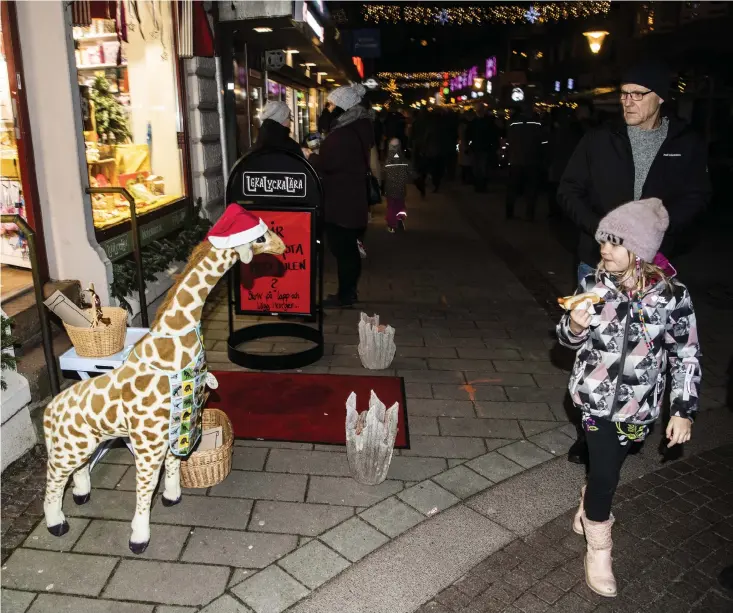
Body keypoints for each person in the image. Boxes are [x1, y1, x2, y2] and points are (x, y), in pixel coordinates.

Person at [557, 60, 711, 464]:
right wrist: (604, 232)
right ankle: (589, 430)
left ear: (660, 97)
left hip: (653, 265)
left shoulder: (686, 141)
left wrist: (659, 227)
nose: (626, 101)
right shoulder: (599, 138)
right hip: (599, 260)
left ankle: (627, 421)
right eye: (622, 93)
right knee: (593, 343)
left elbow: (699, 194)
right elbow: (568, 189)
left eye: (637, 94)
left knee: (640, 347)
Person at [557, 197, 701, 598]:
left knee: (612, 460)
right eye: (604, 240)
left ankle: (588, 505)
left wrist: (683, 409)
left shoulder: (672, 295)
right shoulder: (593, 285)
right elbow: (566, 339)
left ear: (639, 250)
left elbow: (685, 353)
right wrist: (574, 325)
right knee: (606, 473)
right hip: (592, 399)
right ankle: (599, 548)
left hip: (639, 406)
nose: (605, 249)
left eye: (616, 242)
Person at [307, 84, 373, 308]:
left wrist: (311, 157)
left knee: (343, 249)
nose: (328, 108)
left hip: (342, 201)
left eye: (332, 104)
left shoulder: (344, 133)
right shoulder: (357, 127)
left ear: (343, 107)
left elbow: (328, 164)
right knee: (348, 249)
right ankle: (348, 292)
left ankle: (346, 295)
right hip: (352, 199)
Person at [505, 106, 544, 219]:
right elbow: (542, 143)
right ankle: (530, 214)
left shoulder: (513, 124)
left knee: (512, 187)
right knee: (531, 188)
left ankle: (509, 212)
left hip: (515, 160)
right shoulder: (537, 125)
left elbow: (508, 142)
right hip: (532, 160)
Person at [466, 106, 500, 192]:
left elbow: (468, 135)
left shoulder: (475, 122)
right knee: (482, 168)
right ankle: (481, 185)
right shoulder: (487, 122)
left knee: (479, 168)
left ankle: (479, 185)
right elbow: (494, 135)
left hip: (479, 147)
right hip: (483, 147)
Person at [383, 138, 409, 233]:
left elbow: (384, 174)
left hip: (390, 189)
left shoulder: (387, 161)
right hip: (401, 189)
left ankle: (391, 225)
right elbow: (410, 171)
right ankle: (400, 220)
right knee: (400, 205)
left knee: (391, 207)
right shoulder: (403, 160)